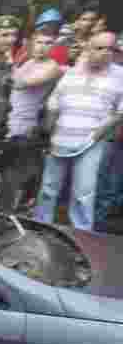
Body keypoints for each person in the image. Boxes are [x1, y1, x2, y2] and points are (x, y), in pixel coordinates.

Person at [34, 32, 123, 231]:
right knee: (48, 189)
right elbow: (54, 102)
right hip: (59, 140)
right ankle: (40, 228)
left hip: (91, 142)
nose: (106, 53)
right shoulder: (72, 72)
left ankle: (82, 234)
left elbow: (120, 112)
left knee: (83, 193)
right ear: (88, 49)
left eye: (110, 49)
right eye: (99, 48)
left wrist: (97, 134)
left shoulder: (120, 75)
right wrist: (49, 131)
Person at [2, 27, 65, 211]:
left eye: (48, 44)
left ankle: (11, 213)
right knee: (6, 171)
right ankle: (4, 211)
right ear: (32, 43)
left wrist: (5, 64)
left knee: (15, 173)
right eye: (39, 42)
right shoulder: (27, 62)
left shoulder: (52, 67)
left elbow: (22, 84)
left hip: (26, 125)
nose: (42, 47)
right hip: (9, 121)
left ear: (53, 46)